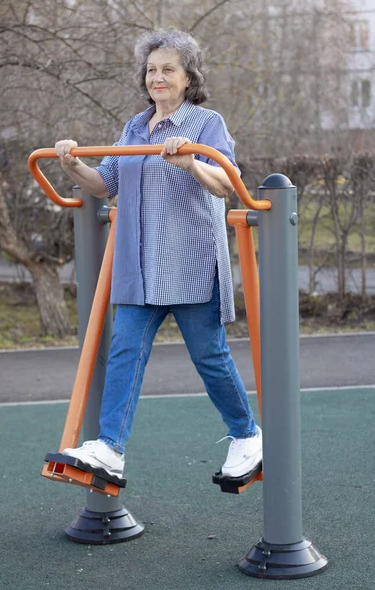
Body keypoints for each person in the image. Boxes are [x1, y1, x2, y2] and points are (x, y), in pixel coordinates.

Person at [55, 28, 262, 481]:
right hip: (139, 264)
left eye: (168, 69)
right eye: (151, 70)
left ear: (189, 78)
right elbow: (105, 184)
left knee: (208, 354)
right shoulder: (134, 126)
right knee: (125, 351)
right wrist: (72, 164)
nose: (158, 77)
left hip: (188, 262)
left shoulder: (207, 124)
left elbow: (227, 184)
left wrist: (191, 163)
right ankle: (110, 447)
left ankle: (247, 436)